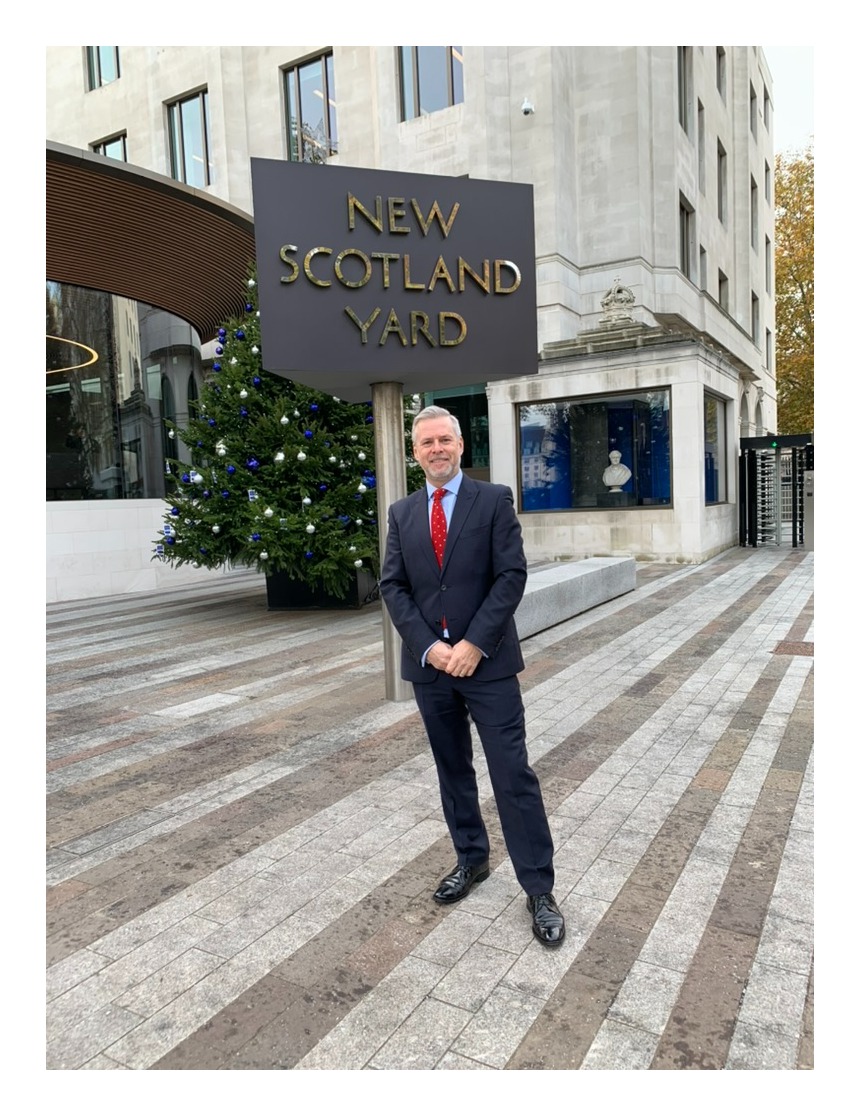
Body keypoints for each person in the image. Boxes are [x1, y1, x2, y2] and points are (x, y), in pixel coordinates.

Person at [380, 406, 564, 946]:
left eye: (444, 440)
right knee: (452, 770)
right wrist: (431, 648)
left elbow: (511, 576)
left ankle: (539, 888)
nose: (435, 449)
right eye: (425, 443)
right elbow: (394, 587)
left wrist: (473, 644)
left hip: (487, 667)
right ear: (415, 452)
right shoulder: (401, 512)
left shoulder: (493, 499)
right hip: (432, 671)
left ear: (461, 445)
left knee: (512, 773)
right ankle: (472, 859)